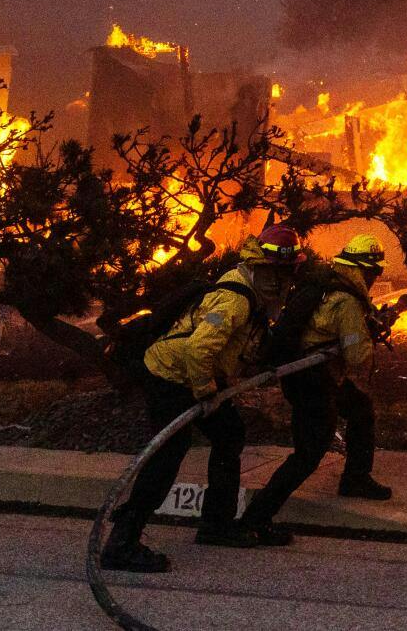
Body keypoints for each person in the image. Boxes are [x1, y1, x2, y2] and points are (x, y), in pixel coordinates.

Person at [100, 224, 306, 573]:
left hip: (198, 376)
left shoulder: (251, 291)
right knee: (167, 457)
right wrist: (207, 393)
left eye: (287, 273)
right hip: (171, 376)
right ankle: (121, 543)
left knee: (229, 435)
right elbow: (198, 349)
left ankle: (217, 524)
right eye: (278, 274)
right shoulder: (235, 299)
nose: (282, 282)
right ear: (262, 267)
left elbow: (237, 346)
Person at [237, 233, 392, 543]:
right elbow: (357, 356)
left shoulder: (329, 285)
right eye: (375, 272)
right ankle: (255, 519)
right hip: (311, 379)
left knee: (359, 407)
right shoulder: (346, 300)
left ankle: (356, 478)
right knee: (309, 453)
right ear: (364, 270)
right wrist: (371, 333)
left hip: (313, 373)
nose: (376, 278)